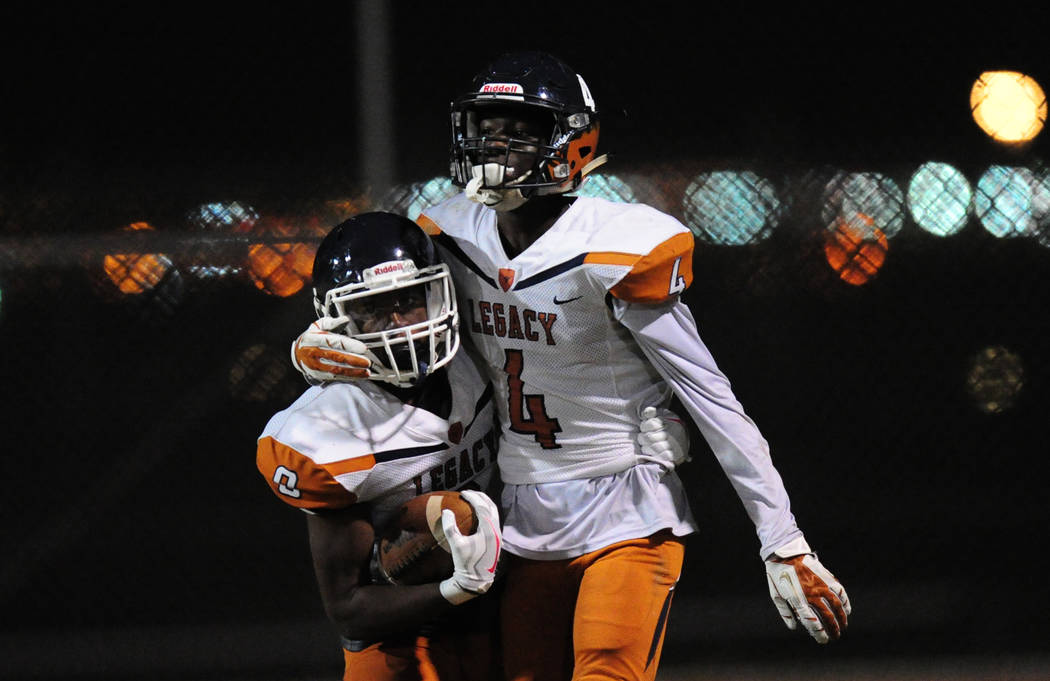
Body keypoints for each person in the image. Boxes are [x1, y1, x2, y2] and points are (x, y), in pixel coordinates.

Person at [290, 52, 851, 681]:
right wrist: (327, 349)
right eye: (485, 128)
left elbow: (713, 400)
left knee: (608, 670)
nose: (494, 145)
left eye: (518, 130)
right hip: (520, 510)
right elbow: (396, 315)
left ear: (571, 141)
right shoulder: (447, 232)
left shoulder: (616, 247)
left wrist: (783, 539)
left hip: (625, 500)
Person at [256, 211, 506, 681]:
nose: (399, 324)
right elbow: (348, 606)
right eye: (374, 308)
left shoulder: (479, 359)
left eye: (410, 299)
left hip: (497, 610)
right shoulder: (327, 432)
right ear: (336, 321)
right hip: (397, 634)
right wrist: (455, 588)